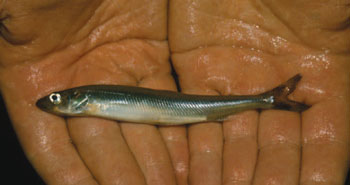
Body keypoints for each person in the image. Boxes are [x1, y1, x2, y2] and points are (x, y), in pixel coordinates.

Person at [0, 0, 349, 185]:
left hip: (191, 105)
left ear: (80, 99)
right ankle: (268, 100)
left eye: (59, 98)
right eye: (56, 100)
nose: (54, 101)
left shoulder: (90, 98)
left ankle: (270, 99)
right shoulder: (90, 99)